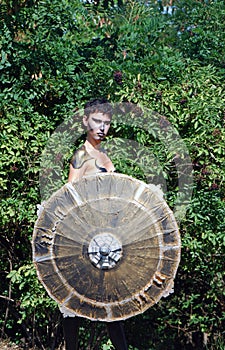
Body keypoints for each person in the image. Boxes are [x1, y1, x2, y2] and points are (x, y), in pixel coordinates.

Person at [61, 98, 128, 350]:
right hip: (84, 237)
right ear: (85, 121)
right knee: (74, 301)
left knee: (111, 302)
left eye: (107, 123)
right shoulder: (80, 156)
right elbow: (68, 195)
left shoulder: (105, 155)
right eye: (97, 121)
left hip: (107, 235)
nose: (102, 127)